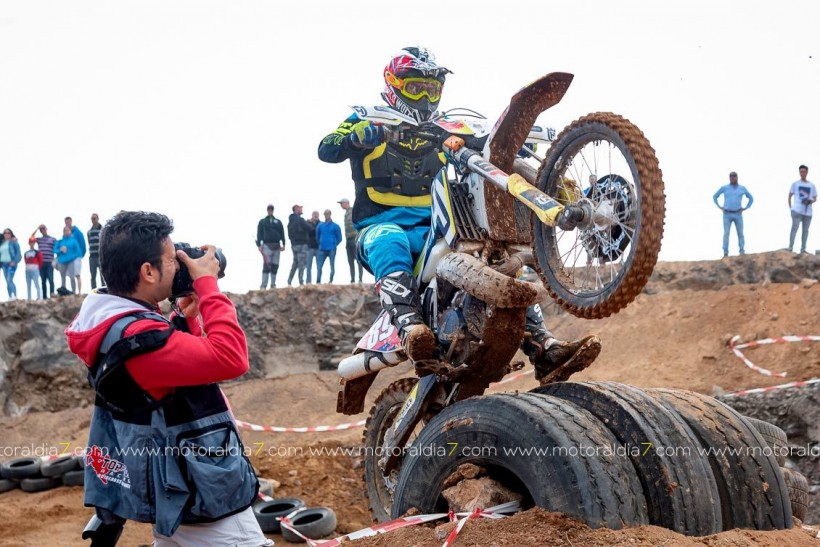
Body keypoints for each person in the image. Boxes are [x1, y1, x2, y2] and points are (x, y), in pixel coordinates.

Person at [318, 46, 600, 379]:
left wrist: (515, 144)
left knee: (495, 255)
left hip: (436, 224)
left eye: (431, 88)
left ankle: (542, 347)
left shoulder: (446, 125)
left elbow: (485, 141)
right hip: (381, 223)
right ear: (394, 85)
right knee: (389, 240)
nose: (424, 95)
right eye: (415, 87)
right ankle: (410, 327)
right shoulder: (370, 116)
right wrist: (357, 136)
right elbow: (327, 147)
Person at [65, 211, 270, 546]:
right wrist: (208, 286)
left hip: (174, 490)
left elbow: (169, 380)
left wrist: (184, 319)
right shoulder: (139, 340)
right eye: (171, 259)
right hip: (206, 502)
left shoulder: (110, 324)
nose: (180, 265)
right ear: (148, 271)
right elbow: (231, 357)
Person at [713, 171, 753, 257]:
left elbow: (751, 198)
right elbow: (715, 196)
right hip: (727, 214)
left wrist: (746, 207)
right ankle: (725, 251)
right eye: (731, 176)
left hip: (738, 213)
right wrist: (719, 206)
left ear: (737, 177)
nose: (733, 178)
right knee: (726, 233)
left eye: (734, 176)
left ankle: (742, 250)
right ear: (729, 178)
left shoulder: (742, 188)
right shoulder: (724, 188)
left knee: (740, 233)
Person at [788, 164, 817, 254]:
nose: (802, 173)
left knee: (805, 231)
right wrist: (791, 207)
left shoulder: (811, 185)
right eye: (801, 171)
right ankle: (790, 248)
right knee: (794, 228)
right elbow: (789, 195)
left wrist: (810, 201)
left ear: (807, 172)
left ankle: (803, 249)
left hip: (807, 212)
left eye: (804, 171)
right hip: (797, 210)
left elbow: (815, 197)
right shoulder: (795, 184)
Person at [256, 204, 285, 289]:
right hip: (266, 246)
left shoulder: (278, 222)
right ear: (267, 210)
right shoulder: (263, 221)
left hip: (277, 246)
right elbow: (259, 233)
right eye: (269, 209)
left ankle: (273, 284)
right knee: (266, 265)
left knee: (275, 265)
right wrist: (259, 245)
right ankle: (263, 285)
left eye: (271, 209)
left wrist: (284, 243)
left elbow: (282, 232)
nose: (270, 210)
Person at [339, 198, 364, 283]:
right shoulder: (346, 213)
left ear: (347, 203)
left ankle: (360, 279)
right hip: (348, 239)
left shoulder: (354, 211)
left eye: (342, 203)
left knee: (358, 260)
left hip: (355, 238)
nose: (341, 205)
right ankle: (352, 279)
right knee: (350, 261)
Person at [286, 204, 311, 286]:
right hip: (302, 244)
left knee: (295, 263)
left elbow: (289, 235)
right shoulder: (300, 220)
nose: (301, 209)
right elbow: (309, 228)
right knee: (301, 264)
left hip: (294, 245)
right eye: (300, 208)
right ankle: (301, 282)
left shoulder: (290, 221)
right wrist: (309, 223)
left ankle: (289, 281)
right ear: (296, 209)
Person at [315, 209, 342, 283]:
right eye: (325, 214)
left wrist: (334, 244)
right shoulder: (320, 226)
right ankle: (318, 281)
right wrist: (320, 243)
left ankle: (330, 281)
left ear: (330, 214)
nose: (327, 215)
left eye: (328, 214)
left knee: (332, 265)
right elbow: (317, 236)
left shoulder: (335, 226)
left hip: (332, 249)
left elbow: (339, 238)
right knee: (319, 266)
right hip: (322, 248)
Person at [31, 224, 57, 298]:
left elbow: (58, 247)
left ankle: (52, 294)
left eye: (44, 229)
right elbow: (31, 237)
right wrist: (37, 228)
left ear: (46, 229)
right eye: (41, 230)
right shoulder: (39, 239)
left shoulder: (53, 239)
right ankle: (44, 297)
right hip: (41, 263)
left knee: (51, 279)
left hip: (49, 262)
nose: (43, 231)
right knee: (43, 281)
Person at [55, 225, 82, 294]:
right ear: (63, 232)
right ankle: (63, 291)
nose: (66, 232)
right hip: (61, 261)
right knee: (63, 277)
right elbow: (54, 250)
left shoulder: (73, 241)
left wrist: (72, 257)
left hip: (71, 261)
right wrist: (60, 250)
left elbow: (78, 252)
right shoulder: (60, 241)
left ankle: (74, 292)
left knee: (72, 277)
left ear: (70, 231)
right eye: (65, 231)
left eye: (68, 230)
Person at [65, 217, 87, 294]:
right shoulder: (66, 235)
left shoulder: (77, 232)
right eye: (66, 222)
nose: (67, 223)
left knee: (77, 274)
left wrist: (81, 254)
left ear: (71, 221)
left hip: (77, 256)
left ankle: (79, 292)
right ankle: (74, 291)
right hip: (70, 258)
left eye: (68, 222)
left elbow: (82, 243)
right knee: (71, 275)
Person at [0, 228, 21, 299]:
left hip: (11, 264)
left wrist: (14, 262)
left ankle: (15, 296)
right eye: (5, 233)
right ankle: (10, 297)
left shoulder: (14, 242)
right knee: (7, 281)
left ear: (11, 234)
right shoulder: (1, 243)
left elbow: (18, 254)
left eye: (8, 233)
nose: (7, 234)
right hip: (3, 264)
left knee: (9, 280)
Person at [87, 213, 104, 290]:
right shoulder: (89, 232)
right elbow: (89, 242)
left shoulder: (102, 229)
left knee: (102, 275)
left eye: (94, 218)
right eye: (92, 218)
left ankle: (104, 289)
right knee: (93, 275)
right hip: (92, 256)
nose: (93, 220)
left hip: (100, 255)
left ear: (98, 218)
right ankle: (93, 290)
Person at [305, 210, 320, 284]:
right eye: (314, 214)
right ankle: (308, 282)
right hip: (309, 247)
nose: (315, 215)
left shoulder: (321, 224)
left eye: (317, 214)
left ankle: (318, 281)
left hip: (318, 247)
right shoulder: (307, 223)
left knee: (319, 266)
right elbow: (309, 231)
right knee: (308, 266)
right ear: (312, 215)